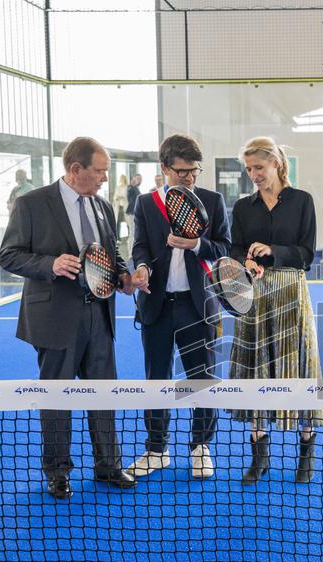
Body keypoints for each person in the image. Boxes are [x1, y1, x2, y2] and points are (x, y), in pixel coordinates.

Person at [0, 136, 136, 500]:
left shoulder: (103, 207)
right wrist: (50, 264)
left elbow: (110, 253)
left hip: (100, 317)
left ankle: (108, 465)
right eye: (100, 171)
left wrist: (123, 276)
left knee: (103, 395)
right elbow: (9, 255)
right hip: (55, 319)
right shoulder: (31, 204)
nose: (106, 178)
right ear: (76, 170)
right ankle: (57, 472)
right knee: (56, 397)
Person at [128, 134, 231, 480]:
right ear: (164, 168)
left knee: (202, 381)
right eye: (182, 171)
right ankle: (157, 449)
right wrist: (140, 268)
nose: (189, 178)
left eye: (194, 171)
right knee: (156, 380)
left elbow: (224, 250)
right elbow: (139, 247)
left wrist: (198, 244)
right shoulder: (145, 204)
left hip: (198, 306)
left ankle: (200, 447)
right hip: (156, 306)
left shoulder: (213, 201)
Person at [228, 137, 323, 485]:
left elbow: (306, 254)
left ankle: (306, 454)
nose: (254, 174)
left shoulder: (302, 202)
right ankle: (259, 457)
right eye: (249, 168)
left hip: (291, 294)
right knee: (256, 372)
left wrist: (273, 251)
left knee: (298, 371)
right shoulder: (242, 207)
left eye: (259, 167)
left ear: (277, 164)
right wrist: (247, 263)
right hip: (254, 295)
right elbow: (235, 249)